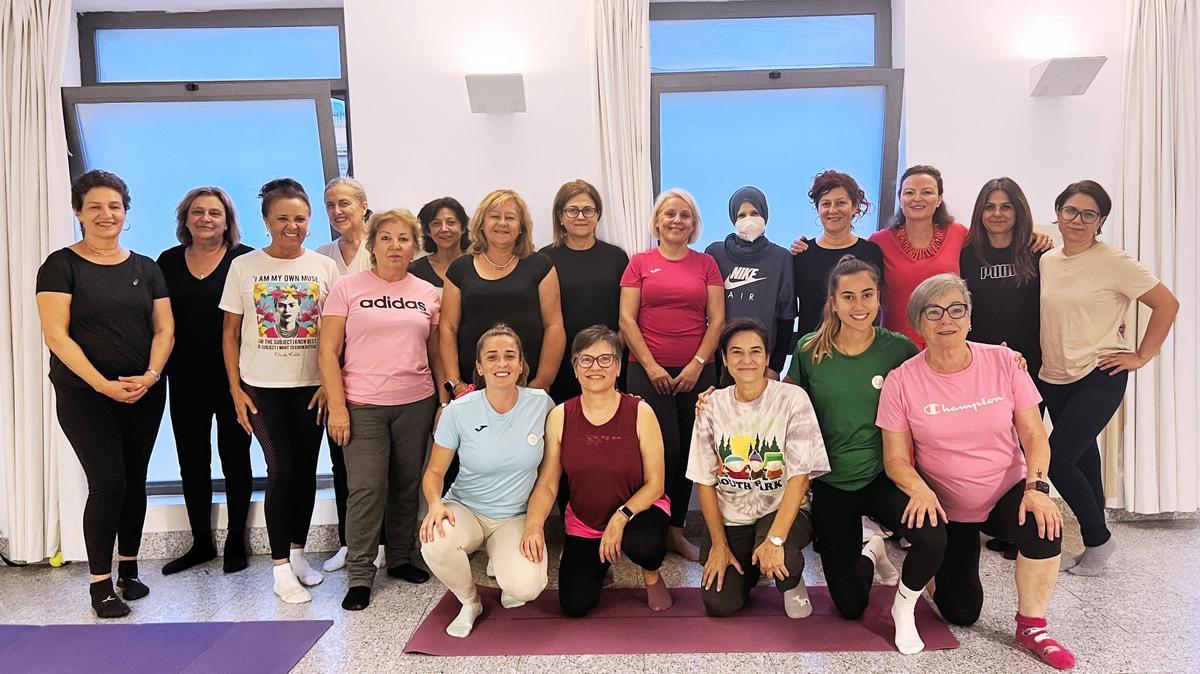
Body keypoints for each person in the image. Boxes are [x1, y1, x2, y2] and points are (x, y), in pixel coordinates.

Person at [877, 274, 1076, 669]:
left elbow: (1034, 434)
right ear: (918, 323)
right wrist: (919, 490)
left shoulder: (1004, 362)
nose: (946, 320)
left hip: (1006, 491)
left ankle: (1032, 626)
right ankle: (936, 575)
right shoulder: (901, 380)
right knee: (961, 613)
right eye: (934, 312)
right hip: (948, 506)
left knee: (1044, 524)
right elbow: (895, 459)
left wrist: (1037, 487)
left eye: (956, 309)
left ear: (969, 317)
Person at [787, 255, 949, 654]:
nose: (859, 305)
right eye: (848, 296)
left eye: (867, 295)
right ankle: (872, 550)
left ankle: (904, 606)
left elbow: (944, 373)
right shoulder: (809, 350)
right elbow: (784, 403)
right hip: (832, 483)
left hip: (884, 475)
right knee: (849, 606)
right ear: (833, 302)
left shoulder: (898, 348)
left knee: (931, 535)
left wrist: (1003, 360)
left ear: (879, 298)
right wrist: (720, 399)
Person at [36, 170, 174, 617]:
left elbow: (164, 329)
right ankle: (100, 585)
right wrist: (102, 385)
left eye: (114, 206)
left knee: (135, 478)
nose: (106, 214)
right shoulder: (61, 265)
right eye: (94, 206)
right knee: (108, 481)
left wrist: (150, 376)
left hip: (143, 390)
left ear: (125, 213)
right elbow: (56, 335)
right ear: (78, 212)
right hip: (85, 394)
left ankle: (128, 569)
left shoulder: (146, 268)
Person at [1040, 180, 1178, 577]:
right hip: (1054, 375)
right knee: (1083, 459)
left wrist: (1142, 355)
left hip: (1099, 374)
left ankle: (1099, 540)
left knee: (1057, 460)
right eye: (1071, 211)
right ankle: (1092, 546)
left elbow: (1167, 304)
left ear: (1100, 221)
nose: (1078, 220)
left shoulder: (1115, 261)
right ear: (1059, 213)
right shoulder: (1048, 260)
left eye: (1089, 214)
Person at [320, 208, 447, 611]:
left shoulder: (428, 292)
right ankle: (360, 574)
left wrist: (443, 401)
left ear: (415, 246)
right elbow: (328, 351)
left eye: (404, 238)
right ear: (372, 244)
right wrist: (337, 407)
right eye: (386, 238)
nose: (395, 245)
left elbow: (435, 352)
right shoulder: (347, 287)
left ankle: (401, 558)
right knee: (367, 489)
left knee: (407, 485)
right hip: (362, 404)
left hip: (416, 402)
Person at [219, 178, 339, 604]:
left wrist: (329, 383)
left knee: (305, 472)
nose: (292, 226)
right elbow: (230, 334)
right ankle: (280, 569)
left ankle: (298, 555)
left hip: (311, 387)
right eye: (283, 218)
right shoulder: (244, 266)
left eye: (300, 218)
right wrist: (235, 389)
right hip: (262, 388)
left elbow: (335, 332)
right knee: (281, 470)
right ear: (267, 221)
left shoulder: (323, 267)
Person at [522, 326, 672, 617]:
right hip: (586, 520)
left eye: (605, 359)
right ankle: (600, 566)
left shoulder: (641, 412)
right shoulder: (559, 416)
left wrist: (620, 517)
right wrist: (534, 525)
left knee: (645, 544)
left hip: (637, 513)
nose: (595, 367)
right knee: (574, 605)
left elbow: (656, 484)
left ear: (618, 367)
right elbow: (549, 483)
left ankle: (651, 574)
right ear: (575, 368)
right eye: (586, 360)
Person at [688, 319, 829, 618]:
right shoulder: (711, 405)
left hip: (780, 508)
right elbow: (703, 480)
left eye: (755, 351)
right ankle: (754, 567)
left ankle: (790, 579)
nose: (747, 360)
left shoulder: (792, 399)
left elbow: (801, 478)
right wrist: (718, 544)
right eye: (736, 352)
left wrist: (775, 541)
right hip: (732, 516)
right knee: (719, 603)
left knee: (785, 559)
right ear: (725, 360)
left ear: (767, 358)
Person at [420, 325, 554, 638]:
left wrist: (535, 526)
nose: (501, 363)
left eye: (510, 356)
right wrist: (435, 504)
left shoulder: (542, 404)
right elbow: (434, 473)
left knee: (526, 587)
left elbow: (549, 478)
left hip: (514, 516)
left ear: (521, 365)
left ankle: (503, 564)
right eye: (492, 357)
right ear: (480, 367)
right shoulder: (458, 411)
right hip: (466, 508)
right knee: (435, 540)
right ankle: (470, 601)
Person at [620, 188, 724, 561]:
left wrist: (697, 363)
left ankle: (675, 531)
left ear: (693, 223)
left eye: (685, 215)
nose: (677, 220)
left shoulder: (706, 264)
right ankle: (648, 531)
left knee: (689, 454)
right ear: (657, 221)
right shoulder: (639, 263)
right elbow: (626, 320)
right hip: (645, 371)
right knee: (659, 451)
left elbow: (717, 321)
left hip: (698, 373)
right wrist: (651, 366)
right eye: (670, 214)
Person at [156, 186, 254, 575]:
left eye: (215, 213)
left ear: (227, 221)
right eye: (197, 212)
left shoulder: (244, 260)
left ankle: (235, 542)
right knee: (192, 462)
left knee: (236, 460)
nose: (206, 219)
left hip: (235, 379)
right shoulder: (167, 262)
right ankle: (201, 543)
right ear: (185, 218)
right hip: (184, 379)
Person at [959, 177, 1045, 561]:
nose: (997, 214)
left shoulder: (1036, 252)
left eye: (1005, 206)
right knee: (992, 442)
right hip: (982, 364)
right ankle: (996, 520)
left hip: (1027, 364)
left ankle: (1019, 529)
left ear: (1018, 210)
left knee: (1024, 444)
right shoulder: (968, 255)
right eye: (989, 207)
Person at [440, 189, 565, 397]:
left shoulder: (541, 265)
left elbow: (554, 326)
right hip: (472, 389)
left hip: (528, 387)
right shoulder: (459, 269)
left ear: (521, 227)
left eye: (510, 218)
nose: (502, 223)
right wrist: (456, 383)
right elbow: (447, 329)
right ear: (481, 223)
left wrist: (542, 381)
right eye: (495, 216)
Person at [316, 177, 373, 572]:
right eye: (330, 205)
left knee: (382, 468)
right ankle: (349, 542)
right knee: (342, 463)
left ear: (364, 206)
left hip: (378, 376)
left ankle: (384, 541)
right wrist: (326, 380)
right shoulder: (321, 257)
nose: (337, 211)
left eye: (345, 203)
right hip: (335, 377)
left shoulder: (383, 250)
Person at [539, 179, 630, 403]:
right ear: (560, 216)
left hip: (607, 361)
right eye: (572, 210)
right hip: (561, 363)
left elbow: (628, 313)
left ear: (597, 215)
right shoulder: (544, 259)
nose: (581, 216)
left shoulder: (616, 257)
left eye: (588, 210)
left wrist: (614, 352)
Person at [704, 186, 795, 379]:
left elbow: (786, 318)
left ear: (765, 215)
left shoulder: (781, 258)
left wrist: (775, 367)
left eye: (754, 213)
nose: (749, 220)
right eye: (741, 215)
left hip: (762, 363)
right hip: (721, 363)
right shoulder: (714, 254)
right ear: (733, 219)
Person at [791, 170, 885, 339]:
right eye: (826, 204)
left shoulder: (871, 252)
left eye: (841, 203)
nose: (832, 210)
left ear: (855, 207)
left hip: (861, 347)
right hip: (812, 349)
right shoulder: (802, 254)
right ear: (818, 209)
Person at [410, 196, 470, 292]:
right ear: (428, 231)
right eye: (436, 223)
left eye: (451, 222)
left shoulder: (477, 265)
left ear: (463, 228)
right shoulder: (415, 270)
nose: (444, 229)